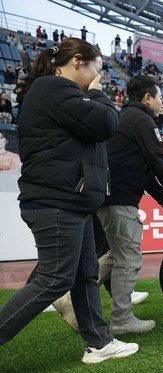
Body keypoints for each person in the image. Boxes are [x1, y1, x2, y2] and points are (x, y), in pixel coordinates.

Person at [0, 38, 139, 364]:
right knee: (55, 279)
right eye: (97, 68)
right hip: (56, 202)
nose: (98, 76)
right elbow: (107, 123)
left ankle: (100, 343)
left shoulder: (55, 91)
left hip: (66, 201)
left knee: (83, 275)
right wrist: (97, 92)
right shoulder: (55, 89)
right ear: (78, 61)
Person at [96, 75, 163, 335]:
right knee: (128, 258)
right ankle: (121, 319)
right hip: (120, 200)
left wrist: (162, 199)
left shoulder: (125, 119)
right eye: (160, 98)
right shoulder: (142, 120)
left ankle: (69, 293)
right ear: (147, 98)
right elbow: (160, 164)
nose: (162, 103)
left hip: (108, 197)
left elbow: (143, 170)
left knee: (113, 255)